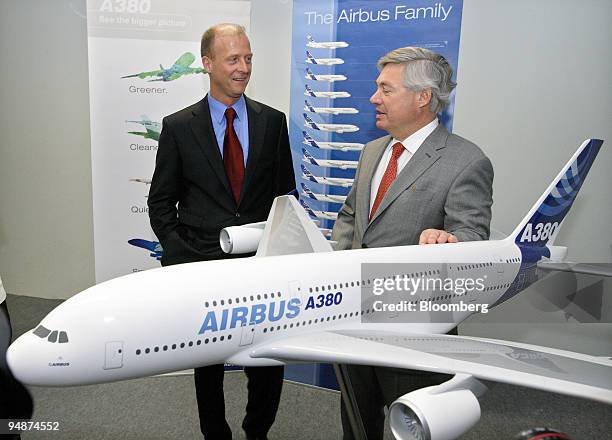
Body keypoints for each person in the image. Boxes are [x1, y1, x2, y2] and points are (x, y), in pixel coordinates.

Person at [332, 47, 494, 439]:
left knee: (417, 428)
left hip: (416, 329)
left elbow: (474, 237)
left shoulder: (465, 161)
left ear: (423, 98)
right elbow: (352, 218)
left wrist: (449, 240)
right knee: (356, 422)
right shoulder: (373, 151)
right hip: (352, 321)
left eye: (385, 90)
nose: (373, 98)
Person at [147, 23, 295, 440]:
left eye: (248, 58)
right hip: (200, 267)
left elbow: (286, 197)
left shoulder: (272, 122)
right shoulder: (178, 127)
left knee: (267, 361)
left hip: (262, 269)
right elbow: (160, 202)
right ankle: (215, 432)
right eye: (234, 59)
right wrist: (180, 254)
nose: (244, 67)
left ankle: (257, 431)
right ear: (208, 63)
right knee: (207, 364)